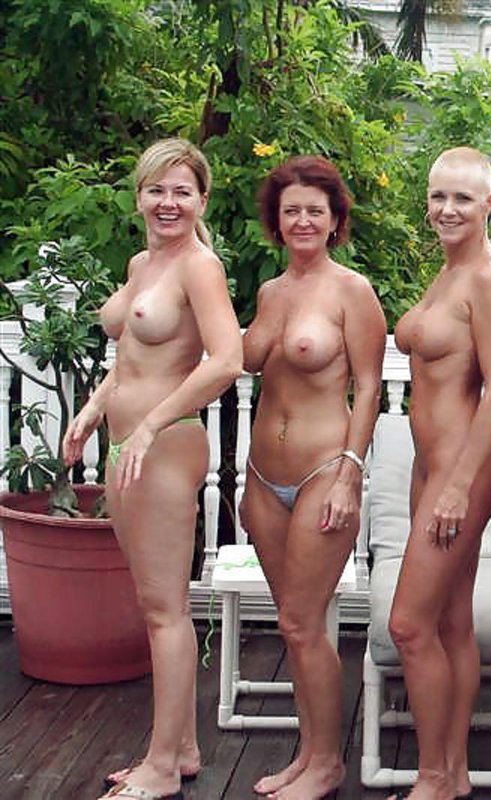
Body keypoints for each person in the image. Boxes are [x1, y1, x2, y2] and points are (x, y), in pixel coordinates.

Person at [62, 138, 242, 800]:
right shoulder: (143, 262)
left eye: (182, 192)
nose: (169, 203)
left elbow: (226, 360)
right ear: (138, 196)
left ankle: (161, 766)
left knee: (166, 609)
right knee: (153, 604)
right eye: (157, 190)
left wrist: (150, 423)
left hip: (165, 446)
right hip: (126, 445)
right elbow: (131, 360)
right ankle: (182, 747)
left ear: (202, 201)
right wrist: (93, 409)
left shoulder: (200, 267)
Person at [239, 156, 386, 799]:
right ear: (277, 221)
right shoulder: (271, 293)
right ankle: (308, 752)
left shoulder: (351, 290)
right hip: (262, 478)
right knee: (293, 623)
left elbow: (369, 386)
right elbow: (243, 362)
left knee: (302, 623)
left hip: (324, 472)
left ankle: (327, 763)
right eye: (291, 210)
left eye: (314, 210)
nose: (302, 220)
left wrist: (351, 474)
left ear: (334, 220)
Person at [387, 147, 491, 800]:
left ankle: (434, 777)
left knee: (408, 625)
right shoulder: (447, 271)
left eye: (463, 198)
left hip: (464, 469)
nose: (447, 209)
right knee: (449, 624)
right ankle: (456, 771)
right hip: (432, 466)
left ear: (489, 203)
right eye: (438, 196)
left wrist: (459, 486)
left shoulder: (489, 279)